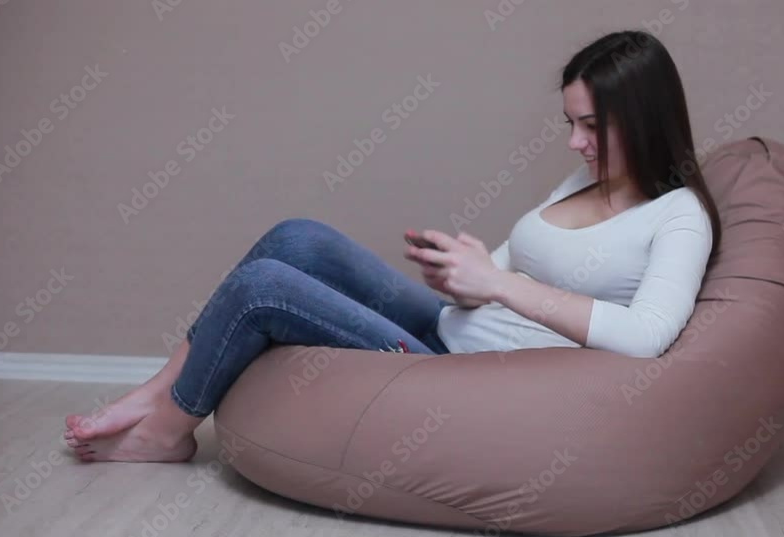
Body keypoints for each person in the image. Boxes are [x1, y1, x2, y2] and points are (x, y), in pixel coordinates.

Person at [64, 29, 721, 462]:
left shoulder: (678, 217)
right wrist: (465, 272)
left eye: (591, 126)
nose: (575, 142)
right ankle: (160, 389)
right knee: (297, 238)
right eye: (570, 124)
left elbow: (645, 337)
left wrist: (497, 284)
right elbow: (509, 270)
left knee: (263, 288)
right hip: (448, 324)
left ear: (643, 119)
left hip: (455, 374)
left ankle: (169, 431)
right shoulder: (586, 178)